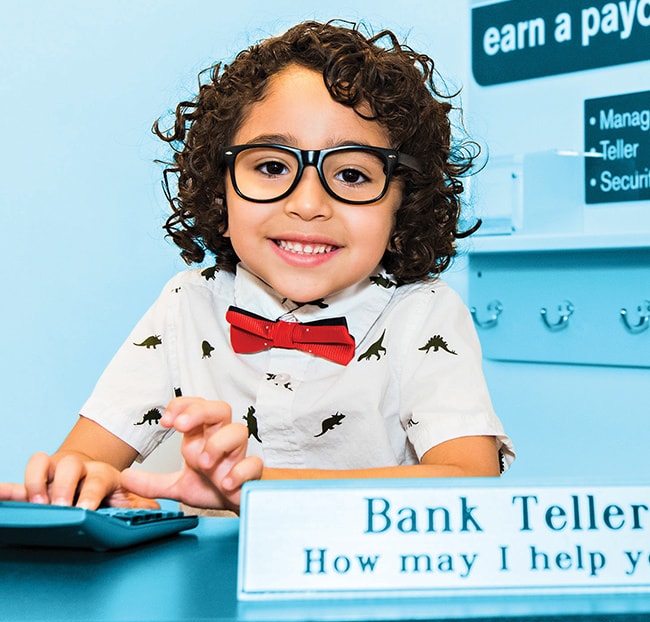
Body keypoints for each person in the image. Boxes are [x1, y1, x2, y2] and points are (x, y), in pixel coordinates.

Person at [0, 20, 514, 514]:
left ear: (403, 207)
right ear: (220, 193)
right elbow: (86, 458)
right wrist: (83, 483)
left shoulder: (424, 315)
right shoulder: (187, 303)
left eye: (353, 174)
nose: (309, 203)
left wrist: (256, 487)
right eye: (272, 166)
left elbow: (470, 480)